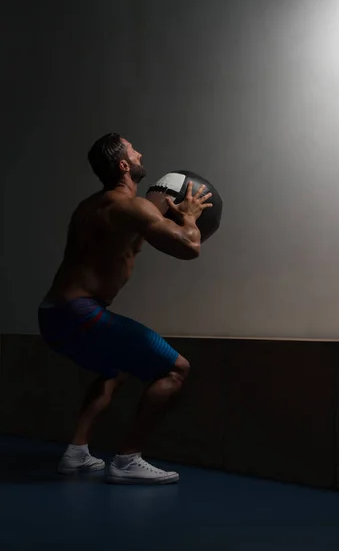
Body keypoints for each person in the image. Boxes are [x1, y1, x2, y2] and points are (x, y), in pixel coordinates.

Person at [38, 133, 212, 484]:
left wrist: (157, 211)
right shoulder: (132, 208)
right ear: (124, 165)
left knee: (114, 368)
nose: (140, 153)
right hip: (83, 313)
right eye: (133, 151)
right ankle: (128, 460)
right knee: (177, 369)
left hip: (52, 315)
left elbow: (125, 238)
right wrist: (190, 217)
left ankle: (76, 453)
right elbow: (189, 247)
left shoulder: (92, 206)